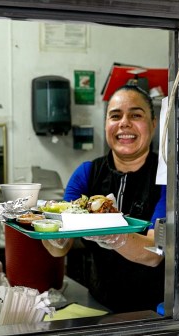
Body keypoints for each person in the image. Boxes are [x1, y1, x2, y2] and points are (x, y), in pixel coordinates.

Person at [42, 84, 166, 313]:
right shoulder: (87, 174)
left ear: (154, 123)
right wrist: (49, 233)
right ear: (106, 124)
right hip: (97, 305)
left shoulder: (166, 177)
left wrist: (111, 235)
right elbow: (60, 248)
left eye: (136, 115)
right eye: (115, 116)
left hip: (152, 312)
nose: (124, 123)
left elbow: (154, 254)